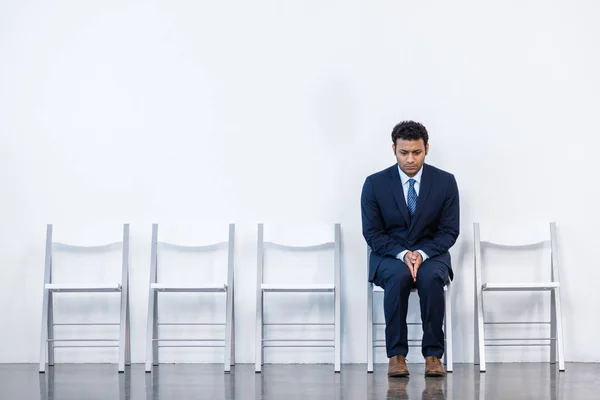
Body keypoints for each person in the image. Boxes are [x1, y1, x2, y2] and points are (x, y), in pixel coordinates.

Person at [361, 120, 459, 377]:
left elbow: (449, 231)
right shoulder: (374, 184)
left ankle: (433, 355)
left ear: (427, 148)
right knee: (397, 276)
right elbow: (372, 233)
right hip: (389, 254)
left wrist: (421, 254)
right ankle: (396, 355)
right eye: (404, 152)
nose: (410, 159)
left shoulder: (445, 182)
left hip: (432, 253)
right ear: (394, 149)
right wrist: (404, 254)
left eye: (417, 152)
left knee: (431, 278)